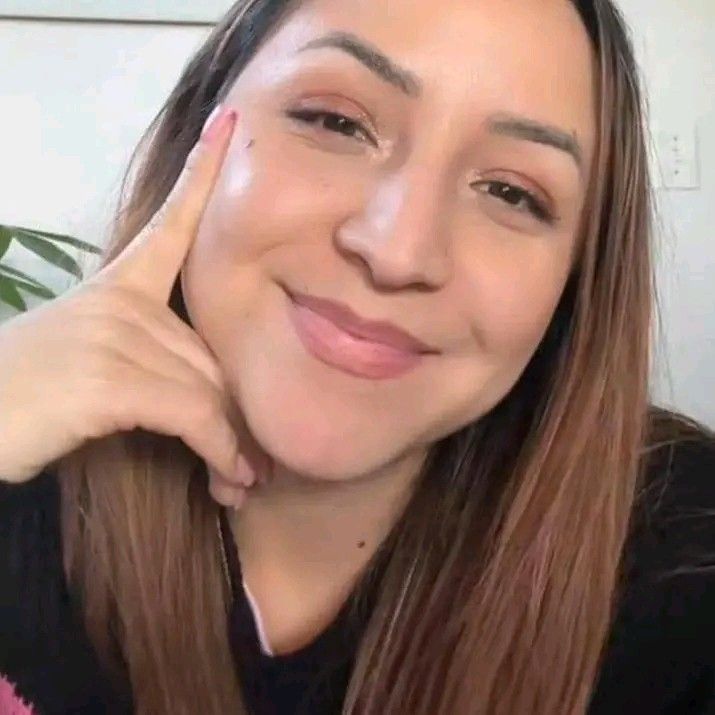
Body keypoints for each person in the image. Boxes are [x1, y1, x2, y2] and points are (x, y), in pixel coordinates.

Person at [1, 0, 714, 713]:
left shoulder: (684, 552)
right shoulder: (21, 469)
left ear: (576, 281)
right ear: (195, 128)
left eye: (510, 192)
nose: (398, 249)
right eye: (334, 122)